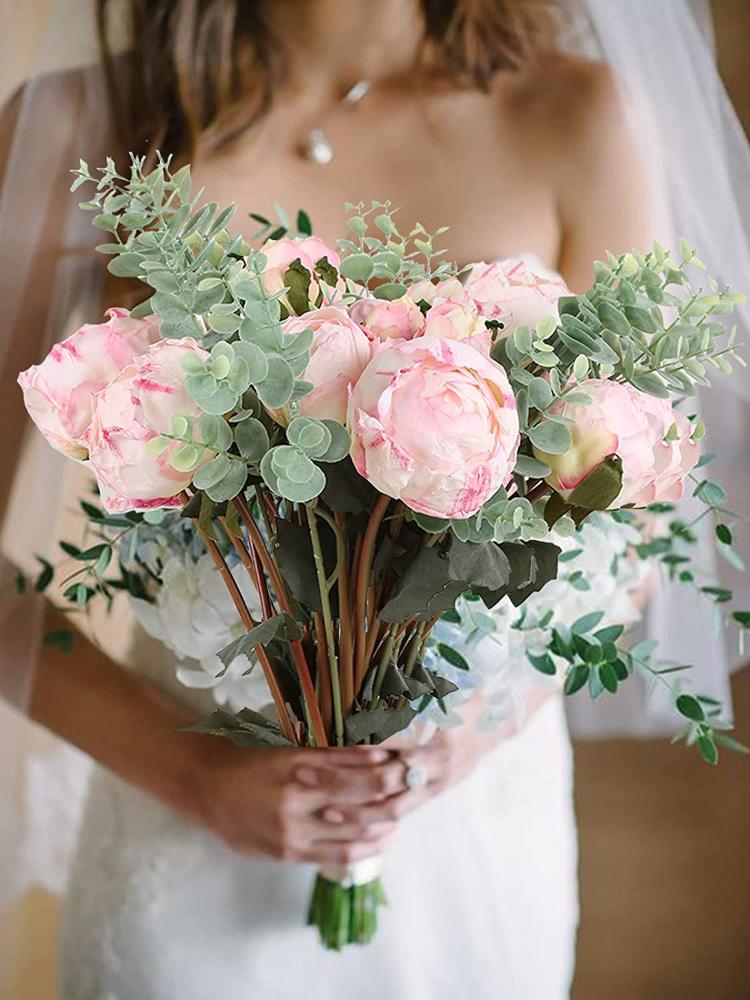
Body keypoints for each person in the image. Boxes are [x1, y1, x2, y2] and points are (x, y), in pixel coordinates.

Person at [0, 2, 739, 998]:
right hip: (182, 836)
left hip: (464, 837)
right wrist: (195, 778)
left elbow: (634, 512)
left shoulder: (576, 113)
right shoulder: (76, 122)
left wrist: (460, 740)